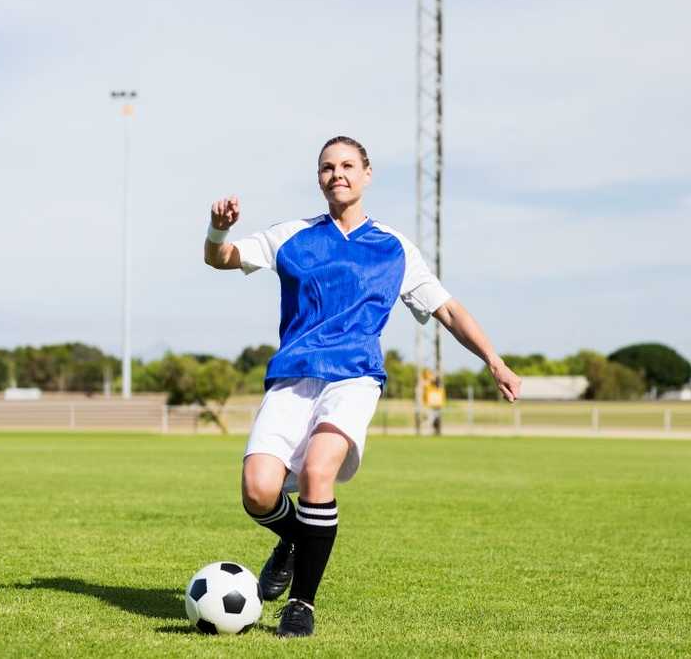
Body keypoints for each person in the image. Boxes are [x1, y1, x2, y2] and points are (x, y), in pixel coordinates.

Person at [203, 136, 521, 638]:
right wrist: (217, 230)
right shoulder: (292, 236)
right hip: (292, 376)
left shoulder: (394, 248)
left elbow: (449, 309)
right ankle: (292, 541)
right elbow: (219, 258)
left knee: (318, 474)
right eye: (328, 167)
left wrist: (493, 360)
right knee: (258, 491)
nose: (338, 174)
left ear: (367, 174)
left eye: (348, 165)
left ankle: (301, 605)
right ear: (319, 178)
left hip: (353, 377)